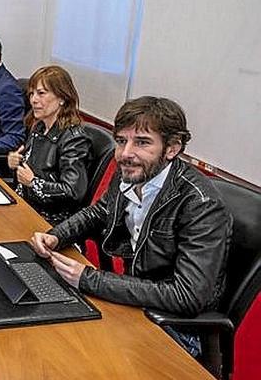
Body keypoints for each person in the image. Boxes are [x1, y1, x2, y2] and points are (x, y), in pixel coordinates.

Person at [30, 97, 232, 354]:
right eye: (122, 141)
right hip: (132, 299)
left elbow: (187, 296)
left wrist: (89, 279)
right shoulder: (132, 171)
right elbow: (100, 212)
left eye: (142, 142)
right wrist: (57, 236)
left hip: (176, 328)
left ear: (172, 149)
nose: (125, 154)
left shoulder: (201, 204)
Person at [7, 65, 91, 225]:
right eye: (31, 93)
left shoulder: (74, 139)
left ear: (62, 98)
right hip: (25, 206)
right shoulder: (38, 127)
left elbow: (72, 192)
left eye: (41, 93)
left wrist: (34, 183)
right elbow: (26, 175)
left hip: (50, 221)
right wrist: (15, 164)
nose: (33, 100)